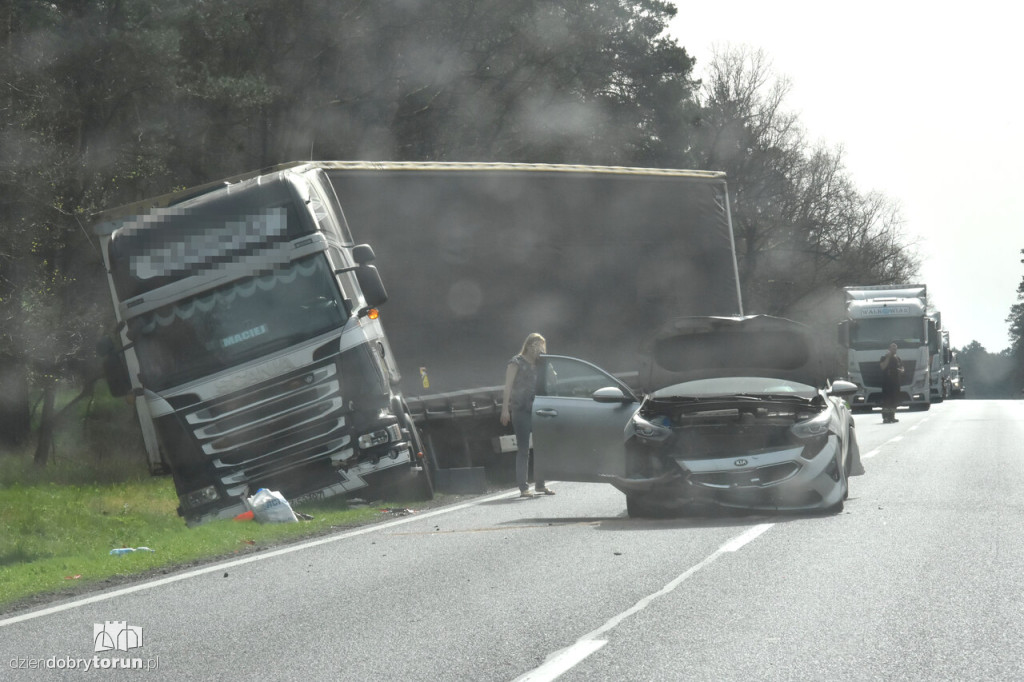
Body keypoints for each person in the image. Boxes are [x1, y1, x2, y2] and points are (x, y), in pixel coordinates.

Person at [500, 332, 555, 497]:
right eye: (538, 346)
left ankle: (540, 484)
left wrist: (549, 365)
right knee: (524, 449)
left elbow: (553, 381)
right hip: (520, 409)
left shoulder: (541, 363)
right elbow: (508, 387)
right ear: (530, 346)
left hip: (537, 408)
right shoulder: (516, 362)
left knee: (541, 447)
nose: (540, 349)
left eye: (542, 346)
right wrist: (505, 410)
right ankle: (523, 487)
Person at [879, 341, 904, 423]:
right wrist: (888, 357)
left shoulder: (898, 358)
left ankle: (892, 416)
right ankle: (885, 417)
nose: (894, 350)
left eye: (895, 348)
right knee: (887, 401)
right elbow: (883, 367)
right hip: (886, 383)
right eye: (892, 348)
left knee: (894, 400)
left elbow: (902, 368)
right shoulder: (884, 357)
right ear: (889, 349)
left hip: (896, 383)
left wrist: (901, 370)